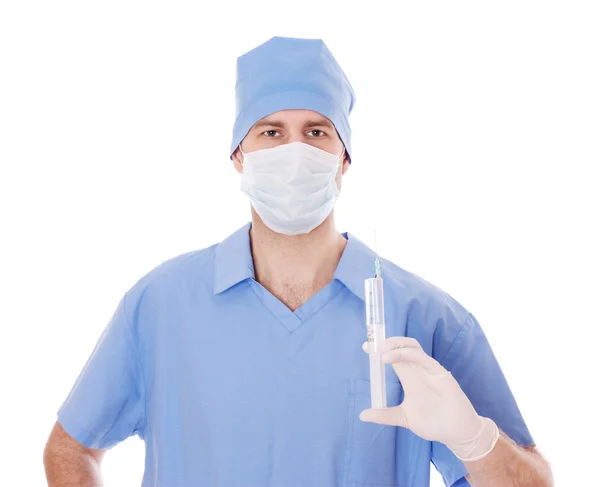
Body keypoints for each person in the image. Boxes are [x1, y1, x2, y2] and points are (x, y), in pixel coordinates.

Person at [43, 36, 553, 487]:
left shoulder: (424, 315)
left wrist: (475, 441)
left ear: (343, 158)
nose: (293, 150)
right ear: (239, 155)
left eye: (316, 132)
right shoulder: (160, 304)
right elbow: (71, 447)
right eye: (270, 132)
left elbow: (533, 483)